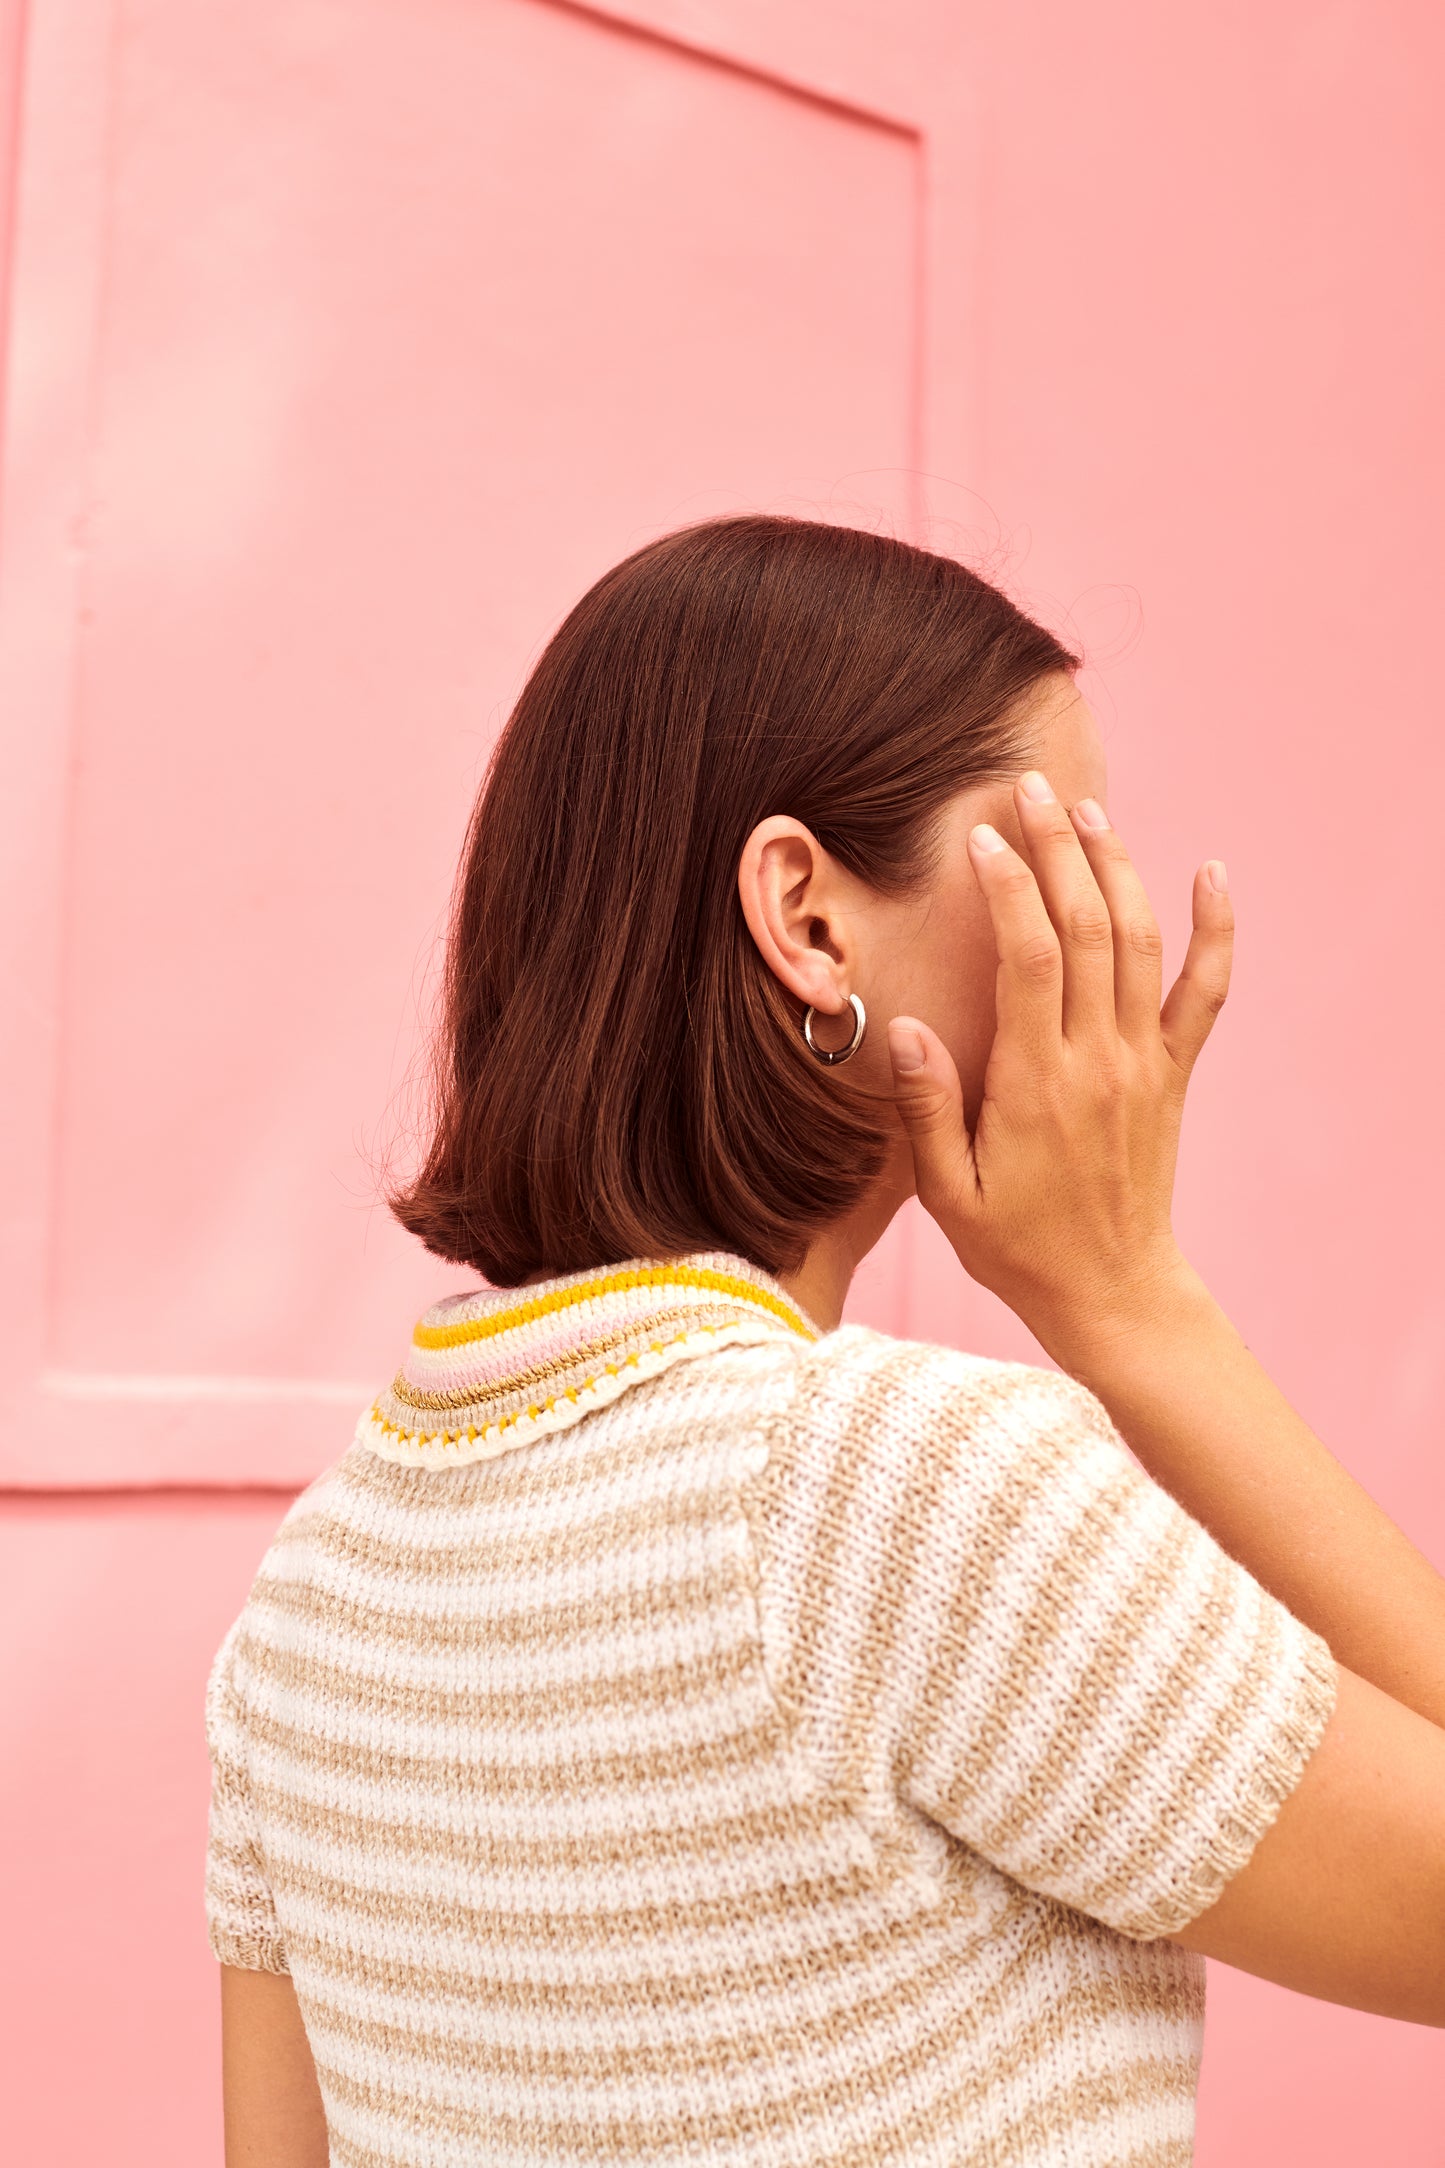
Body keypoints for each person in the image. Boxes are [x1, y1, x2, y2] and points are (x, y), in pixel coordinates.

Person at [206, 515, 1445, 2168]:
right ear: (805, 917)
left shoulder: (309, 1602)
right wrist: (1130, 1305)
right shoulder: (894, 1491)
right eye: (1065, 866)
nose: (1115, 950)